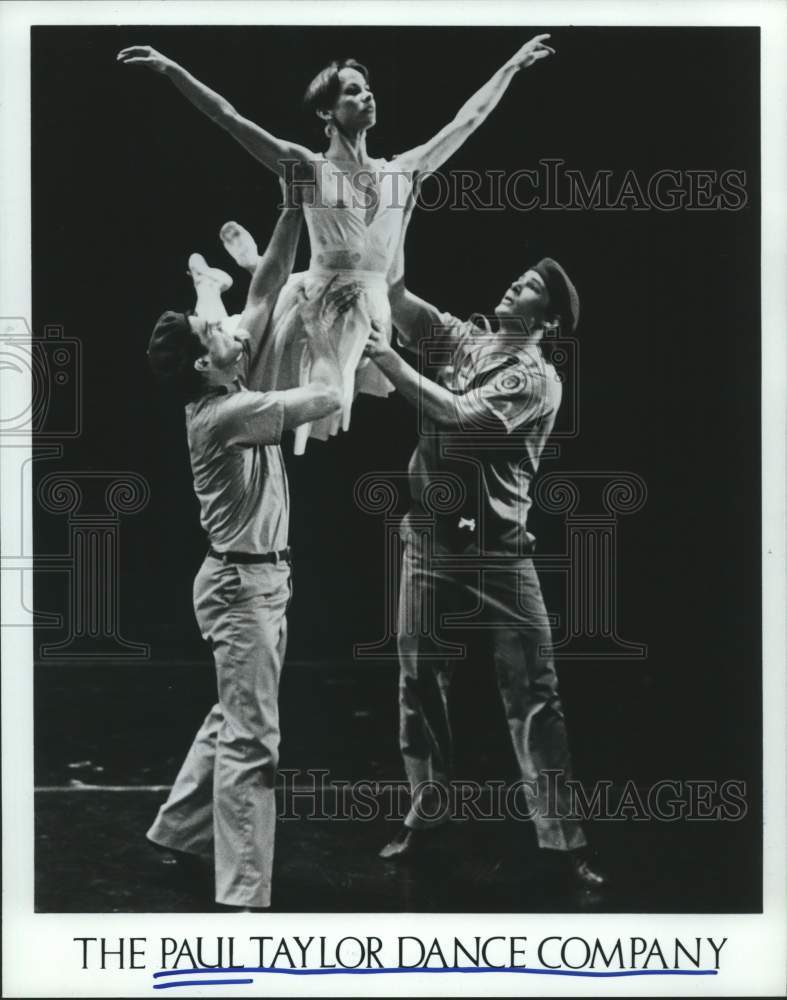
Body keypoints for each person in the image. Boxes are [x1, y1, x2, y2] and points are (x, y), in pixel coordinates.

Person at [118, 35, 556, 452]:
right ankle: (212, 284)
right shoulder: (307, 168)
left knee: (307, 375)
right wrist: (172, 69)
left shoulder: (402, 171)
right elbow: (229, 118)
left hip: (370, 308)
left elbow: (469, 120)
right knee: (236, 349)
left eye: (367, 89)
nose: (367, 96)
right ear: (326, 113)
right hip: (318, 304)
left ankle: (246, 269)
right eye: (352, 92)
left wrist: (511, 66)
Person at [361, 217, 606, 889]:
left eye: (531, 288)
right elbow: (396, 290)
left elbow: (457, 415)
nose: (515, 283)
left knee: (533, 691)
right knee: (417, 679)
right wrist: (394, 207)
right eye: (520, 276)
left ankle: (561, 841)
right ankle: (428, 808)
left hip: (498, 553)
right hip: (430, 541)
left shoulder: (534, 380)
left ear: (547, 322)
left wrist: (386, 360)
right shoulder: (463, 338)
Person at [145, 188, 359, 911]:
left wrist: (293, 207)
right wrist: (334, 333)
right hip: (243, 586)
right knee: (252, 738)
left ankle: (175, 831)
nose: (237, 335)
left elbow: (265, 291)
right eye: (222, 334)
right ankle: (241, 897)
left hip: (245, 579)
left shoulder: (223, 389)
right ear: (209, 365)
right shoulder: (231, 411)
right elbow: (327, 398)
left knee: (232, 713)